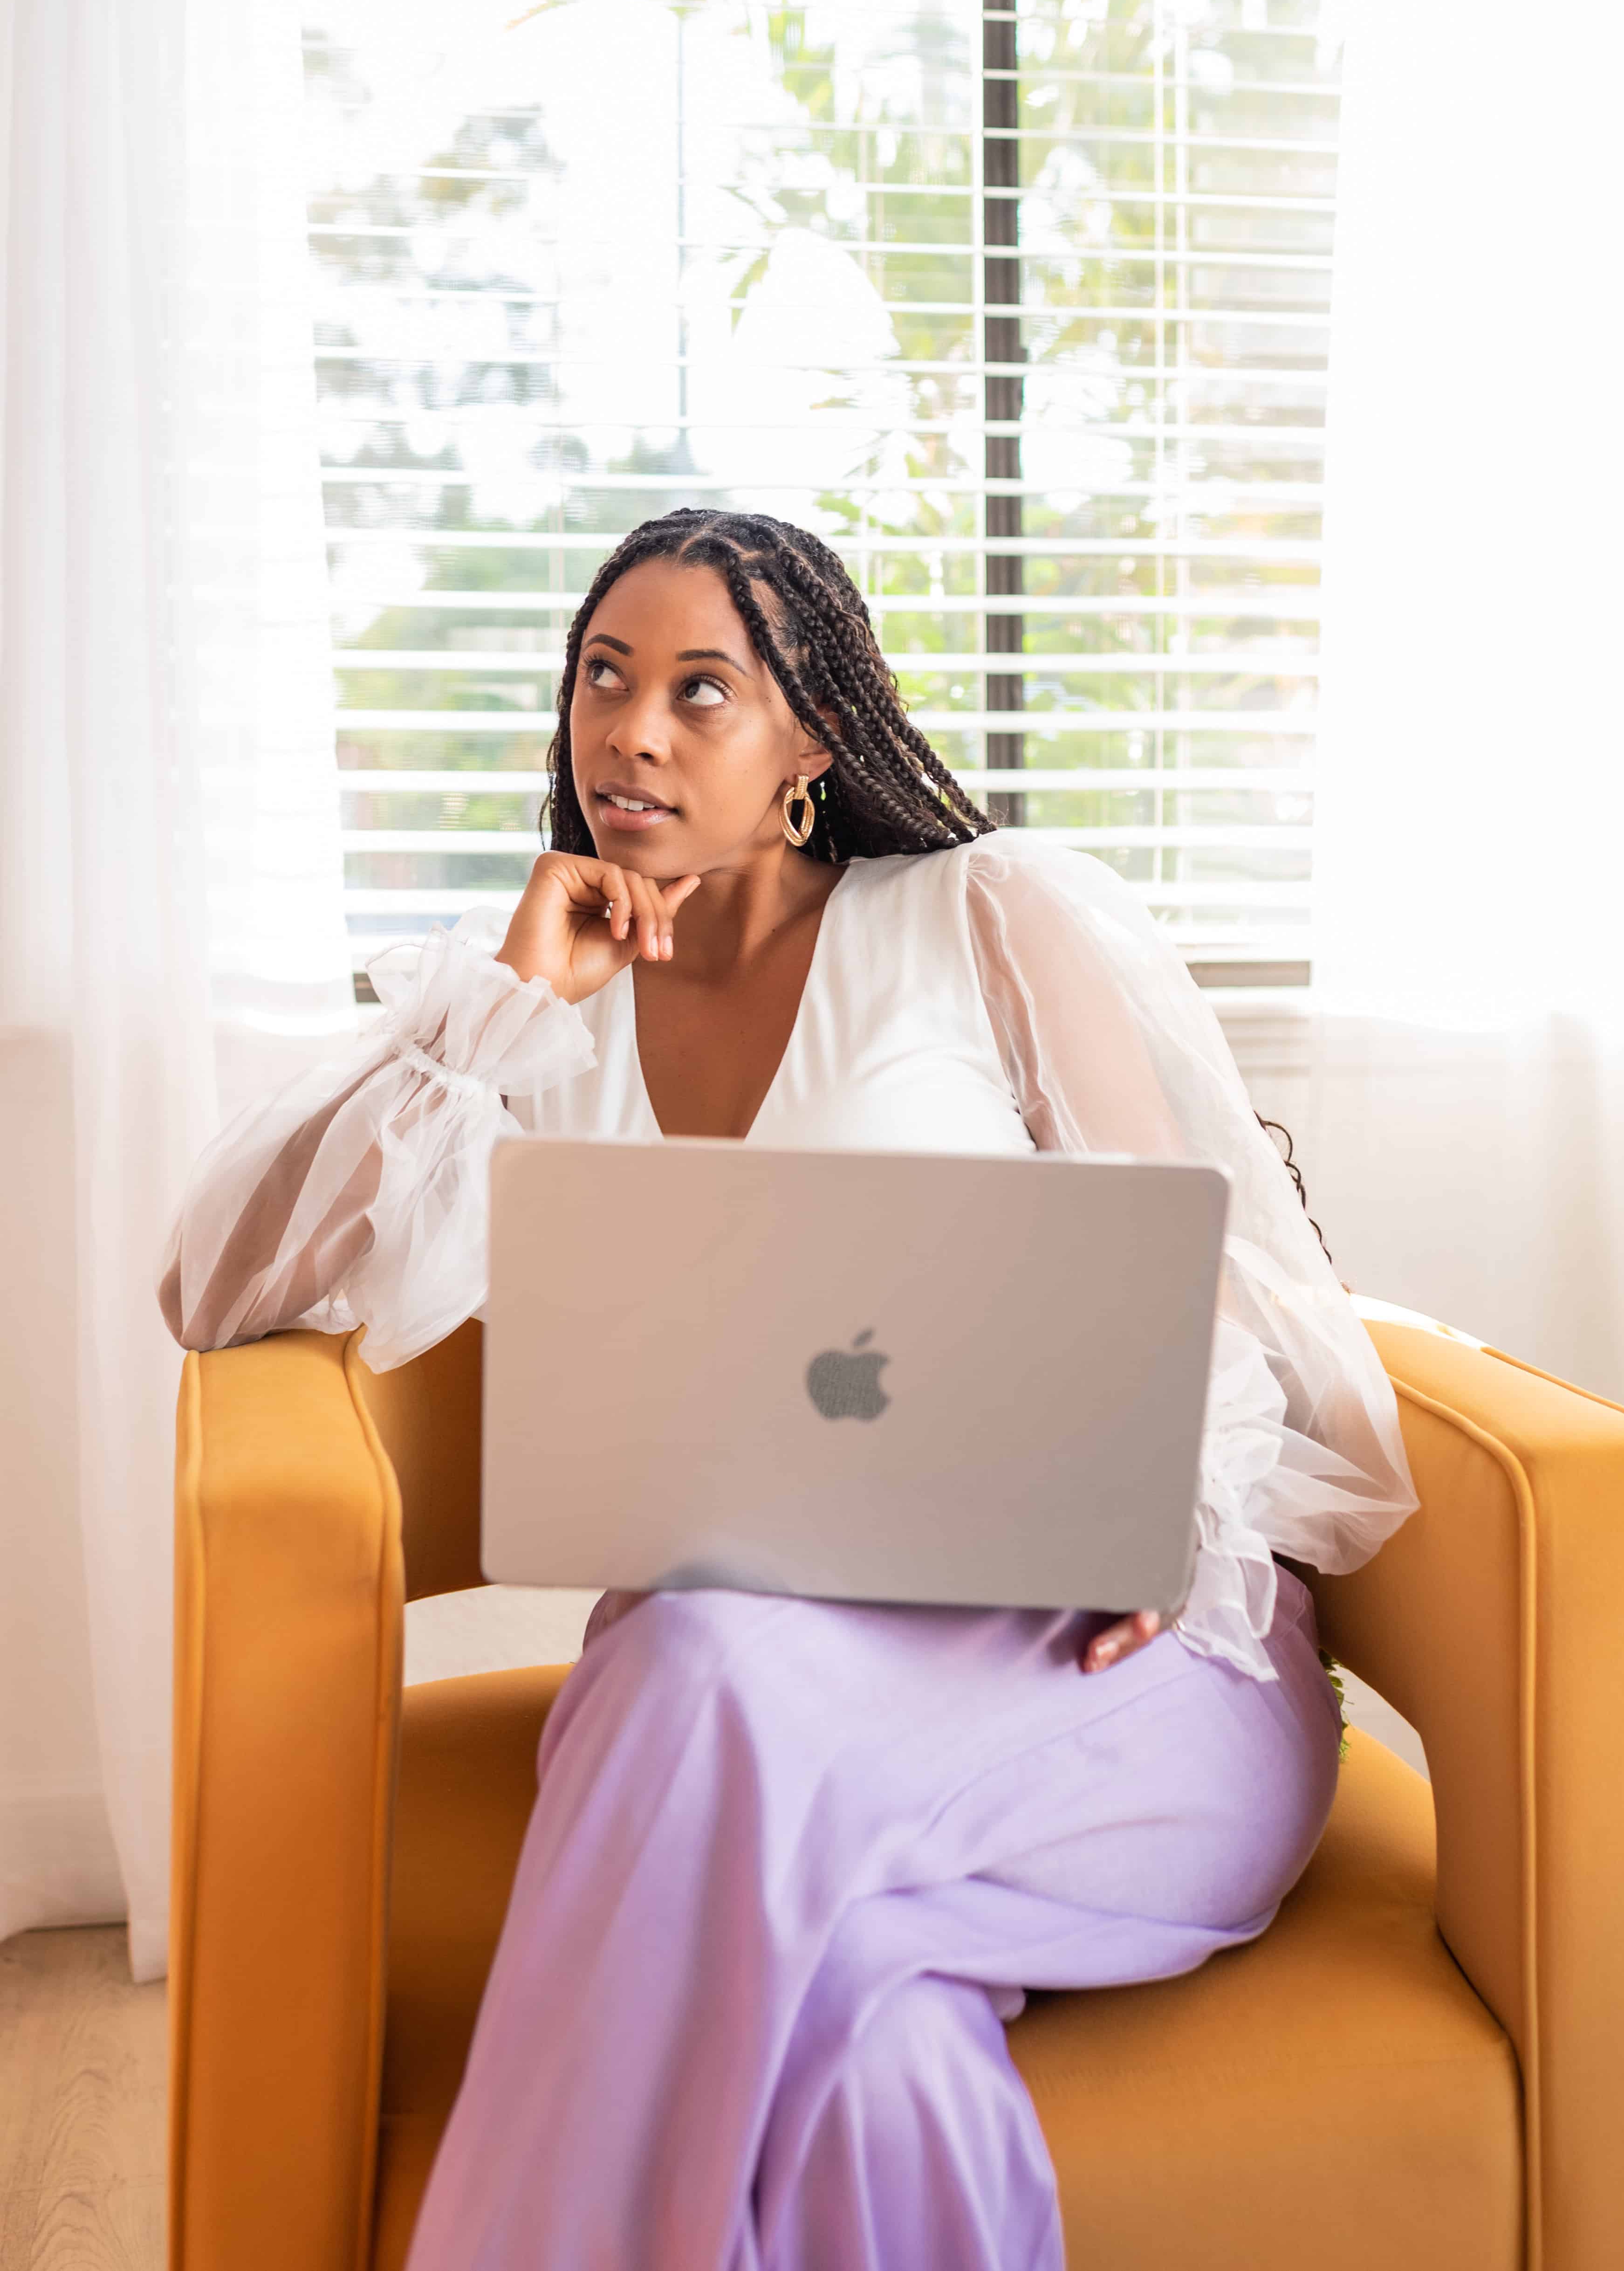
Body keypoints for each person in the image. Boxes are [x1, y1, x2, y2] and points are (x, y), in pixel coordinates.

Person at [160, 506, 1416, 2271]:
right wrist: (507, 1003)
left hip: (1118, 1650)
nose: (633, 730)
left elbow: (1194, 1288)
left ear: (811, 743)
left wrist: (1156, 1518)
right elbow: (216, 1282)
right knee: (850, 2007)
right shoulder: (546, 1000)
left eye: (699, 690)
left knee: (700, 1667)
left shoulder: (981, 918)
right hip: (740, 1678)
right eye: (604, 677)